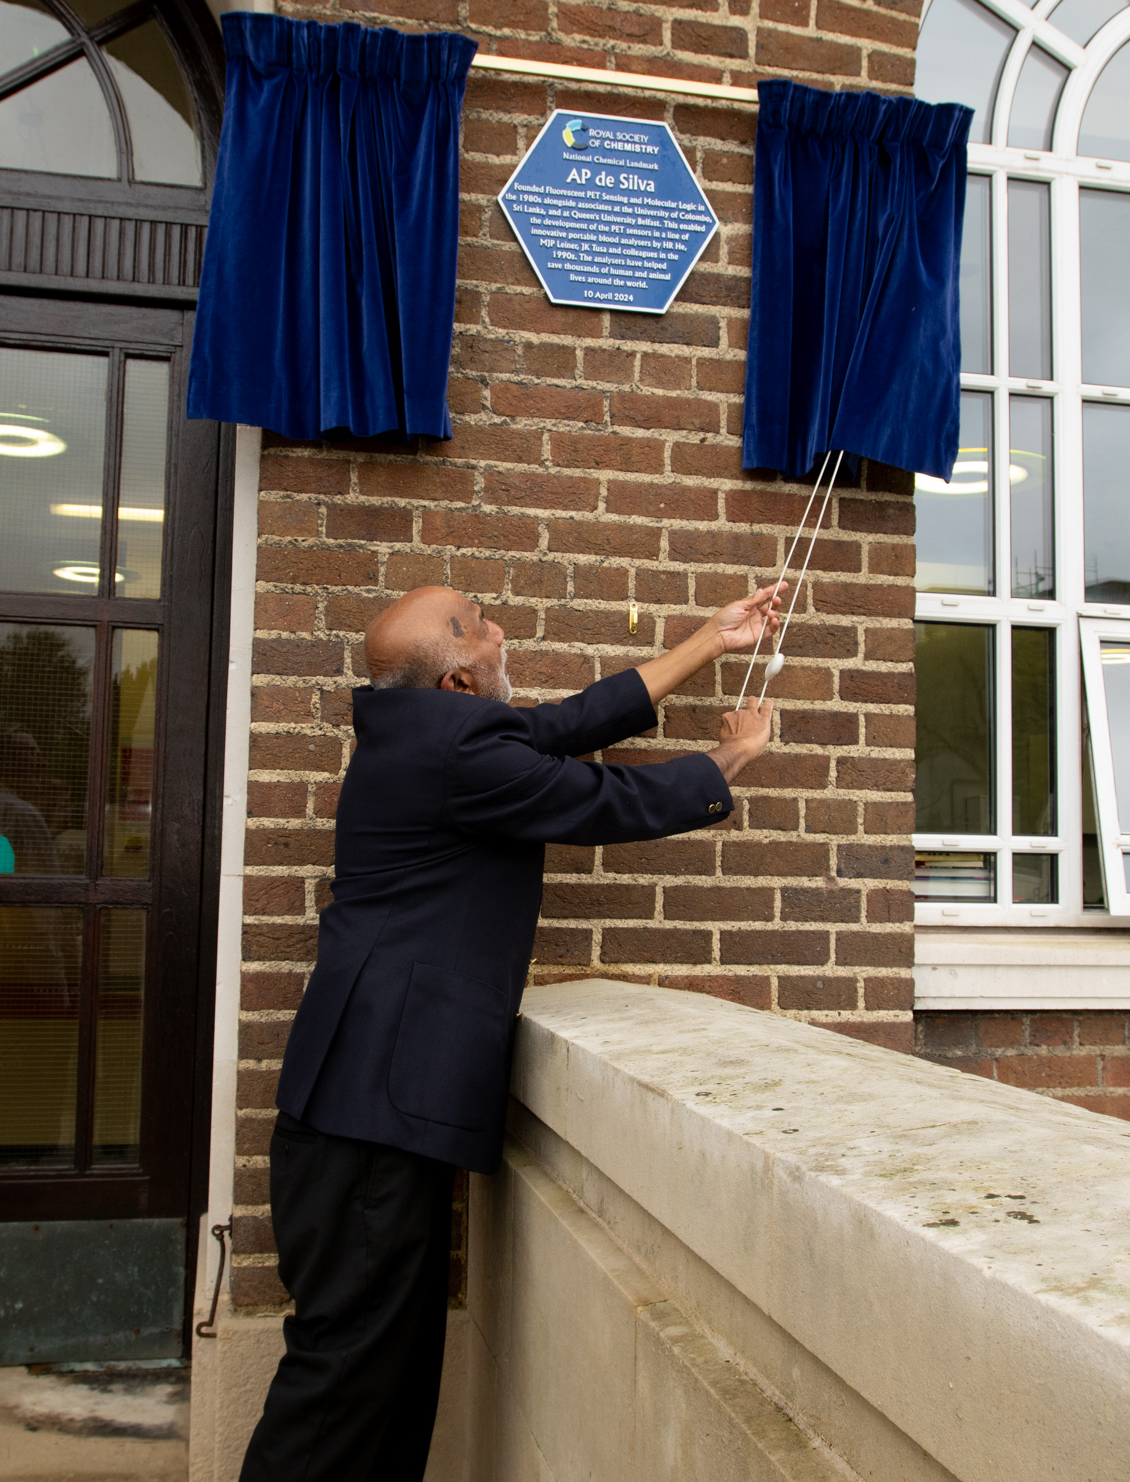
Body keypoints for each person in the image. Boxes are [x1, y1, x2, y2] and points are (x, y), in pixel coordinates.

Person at [240, 582, 785, 1481]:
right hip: (367, 1128)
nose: (502, 630)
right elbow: (606, 802)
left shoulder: (422, 730)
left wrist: (707, 642)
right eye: (480, 625)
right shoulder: (456, 754)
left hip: (363, 1115)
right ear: (457, 682)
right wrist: (729, 759)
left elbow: (569, 722)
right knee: (341, 1396)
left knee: (389, 1385)